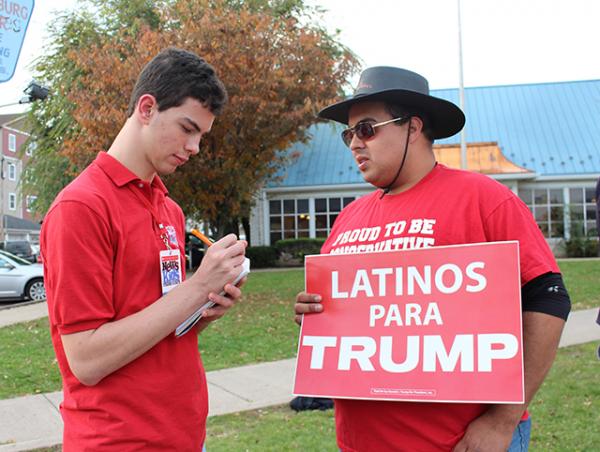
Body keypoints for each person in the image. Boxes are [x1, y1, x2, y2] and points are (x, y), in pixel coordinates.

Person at [294, 66, 571, 452]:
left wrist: (501, 420)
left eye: (367, 129)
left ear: (412, 127)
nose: (355, 143)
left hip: (458, 441)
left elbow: (549, 297)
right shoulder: (348, 218)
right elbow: (348, 320)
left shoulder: (483, 198)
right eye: (349, 133)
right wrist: (315, 315)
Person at [41, 48, 247, 450]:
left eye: (201, 135)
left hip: (181, 432)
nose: (195, 148)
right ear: (147, 108)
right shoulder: (81, 207)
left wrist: (201, 309)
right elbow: (86, 359)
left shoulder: (167, 207)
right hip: (118, 439)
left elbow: (152, 319)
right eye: (187, 128)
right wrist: (195, 286)